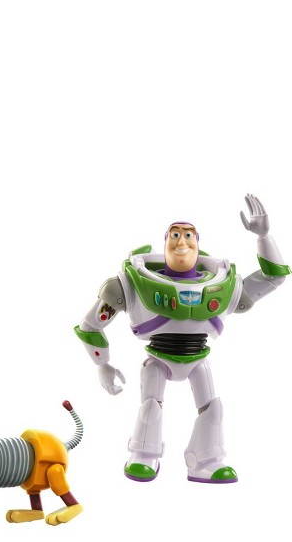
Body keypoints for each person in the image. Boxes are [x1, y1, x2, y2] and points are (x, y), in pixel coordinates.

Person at [75, 195, 288, 482]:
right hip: (158, 359)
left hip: (198, 359)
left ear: (198, 245)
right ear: (165, 243)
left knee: (213, 409)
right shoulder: (131, 284)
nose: (181, 243)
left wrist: (264, 237)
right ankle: (144, 455)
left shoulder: (224, 285)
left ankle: (207, 460)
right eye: (175, 235)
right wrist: (102, 365)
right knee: (151, 406)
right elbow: (90, 326)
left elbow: (274, 277)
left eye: (189, 236)